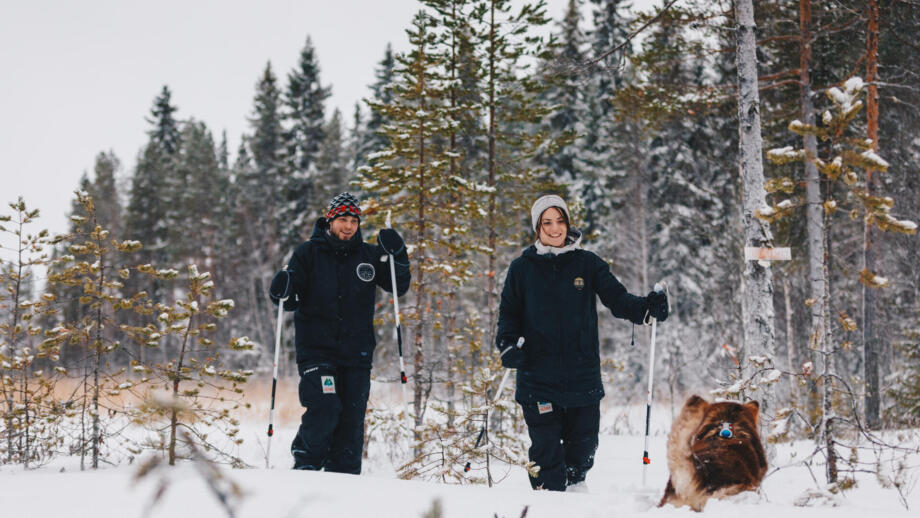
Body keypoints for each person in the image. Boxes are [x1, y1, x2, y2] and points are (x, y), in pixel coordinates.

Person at [495, 194, 669, 492]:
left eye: (560, 221)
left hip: (582, 377)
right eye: (547, 222)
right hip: (537, 378)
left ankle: (575, 498)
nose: (554, 228)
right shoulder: (522, 268)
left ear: (567, 223)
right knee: (547, 459)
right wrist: (508, 346)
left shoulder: (587, 264)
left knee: (583, 453)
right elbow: (508, 315)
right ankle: (546, 503)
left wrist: (645, 309)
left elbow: (618, 299)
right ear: (537, 226)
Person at [269, 192, 410, 473]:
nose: (348, 226)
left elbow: (398, 286)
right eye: (343, 220)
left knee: (351, 420)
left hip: (356, 354)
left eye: (353, 221)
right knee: (326, 407)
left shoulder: (369, 255)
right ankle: (306, 464)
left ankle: (343, 479)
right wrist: (280, 290)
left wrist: (399, 254)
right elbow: (290, 299)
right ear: (330, 220)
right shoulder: (307, 254)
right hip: (317, 351)